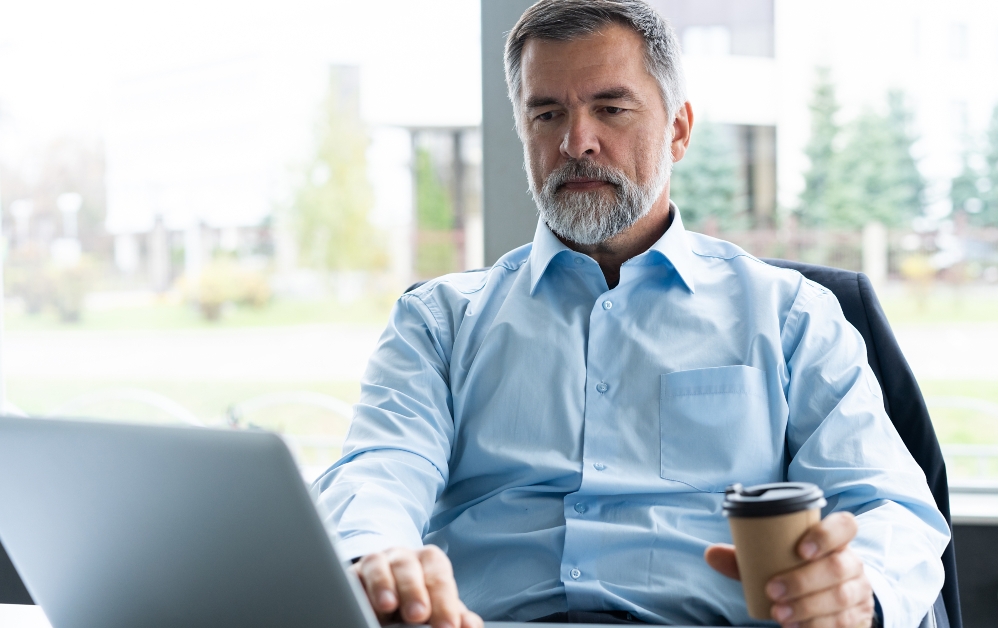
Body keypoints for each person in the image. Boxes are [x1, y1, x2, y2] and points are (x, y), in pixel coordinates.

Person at [312, 1, 950, 627]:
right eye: (547, 113)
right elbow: (379, 470)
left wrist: (856, 589)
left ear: (679, 130)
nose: (576, 142)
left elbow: (890, 506)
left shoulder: (791, 316)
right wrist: (376, 557)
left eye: (611, 109)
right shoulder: (439, 323)